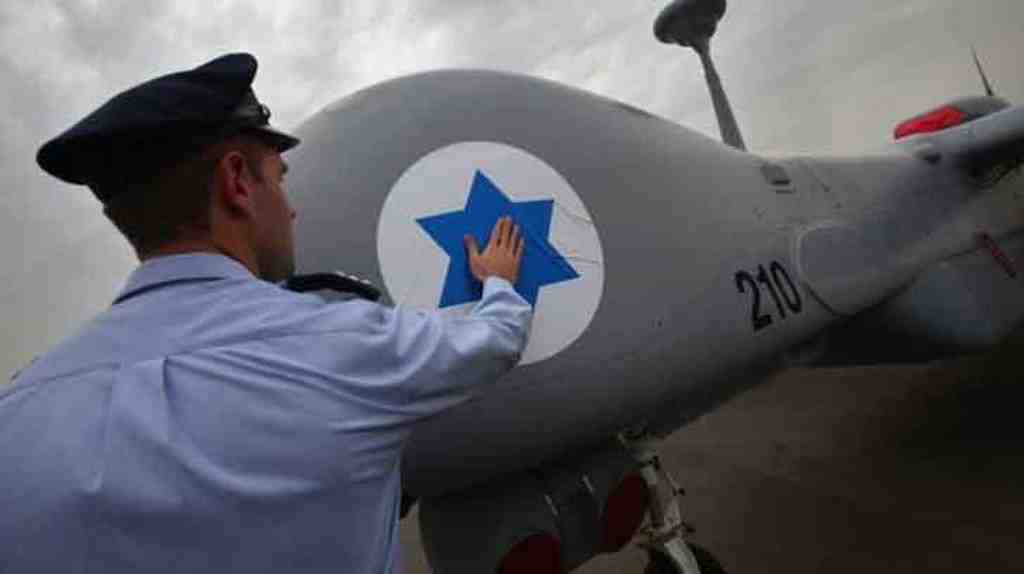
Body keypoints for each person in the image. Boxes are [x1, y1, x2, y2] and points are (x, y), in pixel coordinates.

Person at [0, 53, 532, 573]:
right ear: (236, 183)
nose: (291, 207)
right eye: (279, 178)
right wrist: (498, 282)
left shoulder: (16, 411)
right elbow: (496, 339)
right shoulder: (345, 348)